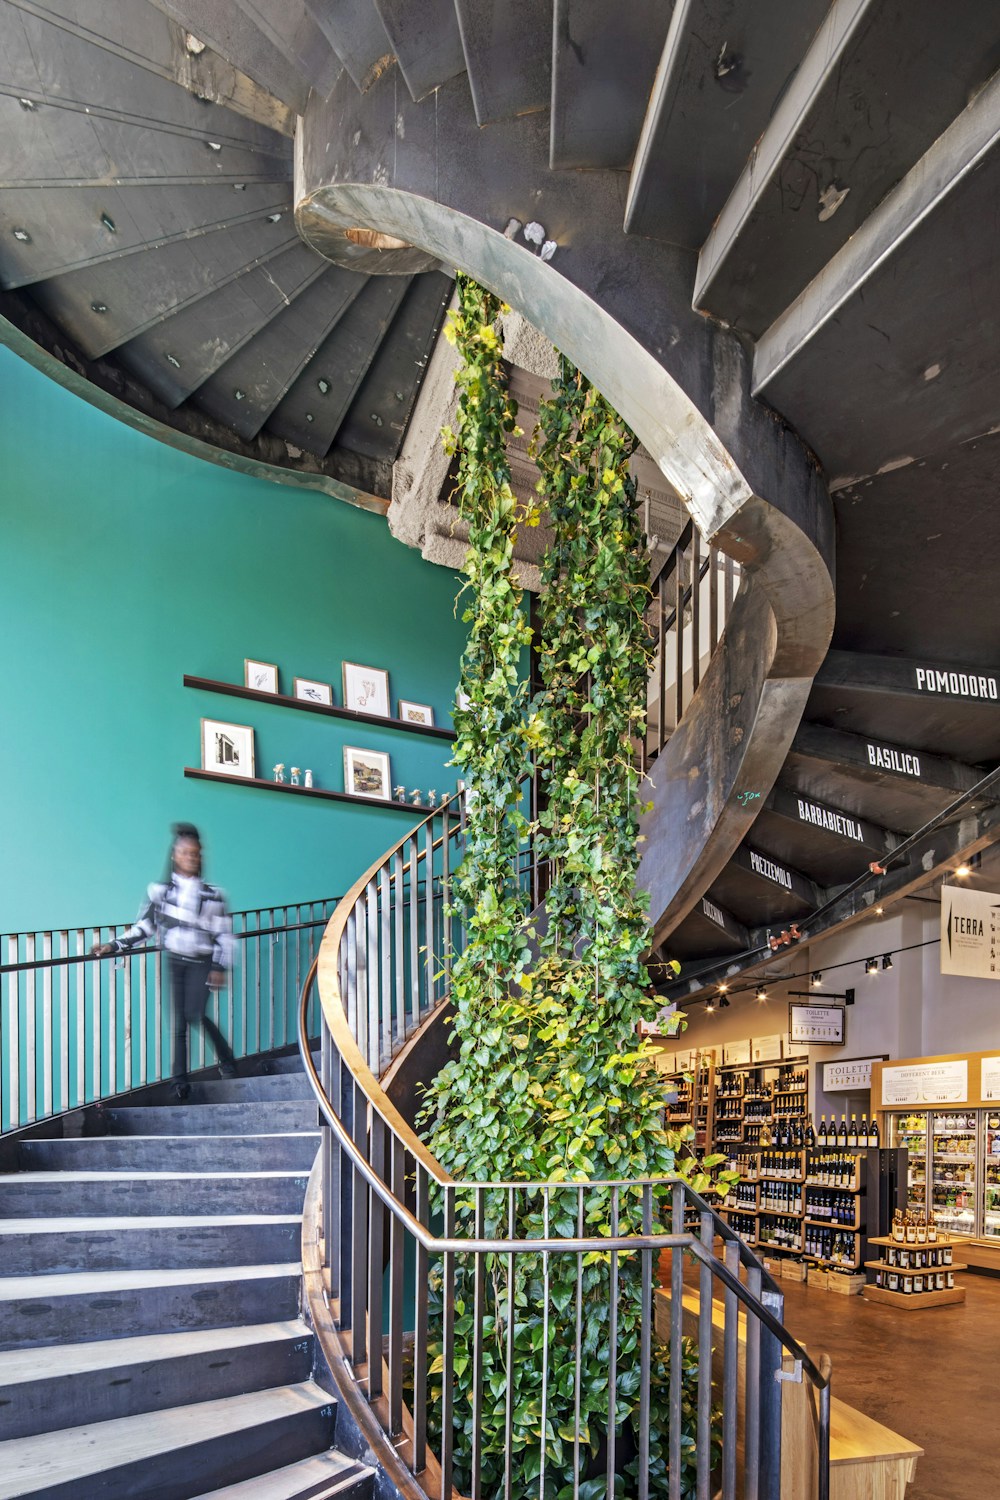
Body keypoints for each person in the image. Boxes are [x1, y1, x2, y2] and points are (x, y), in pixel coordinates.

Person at [91, 822, 237, 1099]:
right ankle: (179, 1083)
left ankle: (226, 1057)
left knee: (194, 1014)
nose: (190, 857)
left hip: (202, 961)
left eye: (195, 853)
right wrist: (114, 944)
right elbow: (145, 927)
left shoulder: (214, 893)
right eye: (185, 852)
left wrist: (220, 967)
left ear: (200, 856)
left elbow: (224, 935)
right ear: (175, 855)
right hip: (176, 962)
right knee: (179, 1023)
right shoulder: (160, 891)